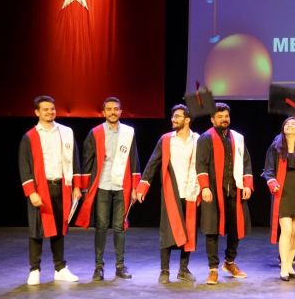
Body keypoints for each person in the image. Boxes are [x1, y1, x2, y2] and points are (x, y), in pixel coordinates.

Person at [19, 95, 82, 285]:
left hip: (62, 187)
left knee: (59, 230)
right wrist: (31, 192)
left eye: (52, 109)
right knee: (36, 230)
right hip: (40, 189)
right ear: (37, 112)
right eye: (45, 109)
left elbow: (74, 160)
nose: (50, 112)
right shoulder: (30, 137)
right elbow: (24, 166)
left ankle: (60, 268)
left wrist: (76, 186)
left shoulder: (66, 132)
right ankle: (34, 269)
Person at [76, 96, 141, 281]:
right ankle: (99, 267)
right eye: (109, 109)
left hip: (122, 185)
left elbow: (134, 160)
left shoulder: (128, 132)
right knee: (102, 226)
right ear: (103, 112)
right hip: (102, 184)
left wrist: (135, 187)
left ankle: (120, 266)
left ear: (120, 111)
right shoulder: (96, 132)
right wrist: (85, 188)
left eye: (116, 109)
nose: (113, 112)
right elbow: (87, 160)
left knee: (119, 227)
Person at [135, 104, 200, 284]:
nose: (173, 119)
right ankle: (164, 270)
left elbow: (203, 165)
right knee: (167, 231)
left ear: (187, 119)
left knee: (189, 230)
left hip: (191, 190)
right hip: (171, 190)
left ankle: (183, 269)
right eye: (173, 116)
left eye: (177, 116)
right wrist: (142, 187)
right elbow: (153, 163)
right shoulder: (166, 140)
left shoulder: (197, 139)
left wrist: (203, 188)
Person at [196, 102, 253, 285]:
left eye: (226, 116)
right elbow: (201, 164)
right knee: (211, 229)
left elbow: (246, 162)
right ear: (212, 119)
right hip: (214, 191)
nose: (224, 119)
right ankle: (213, 269)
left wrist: (247, 185)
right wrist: (204, 187)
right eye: (219, 117)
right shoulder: (205, 138)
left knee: (236, 228)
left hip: (234, 190)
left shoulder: (238, 138)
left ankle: (229, 262)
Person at [262, 117, 295, 281]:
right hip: (283, 191)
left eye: (293, 124)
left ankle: (290, 264)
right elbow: (268, 169)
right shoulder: (276, 147)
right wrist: (272, 182)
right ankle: (284, 267)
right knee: (286, 229)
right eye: (287, 124)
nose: (290, 125)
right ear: (283, 128)